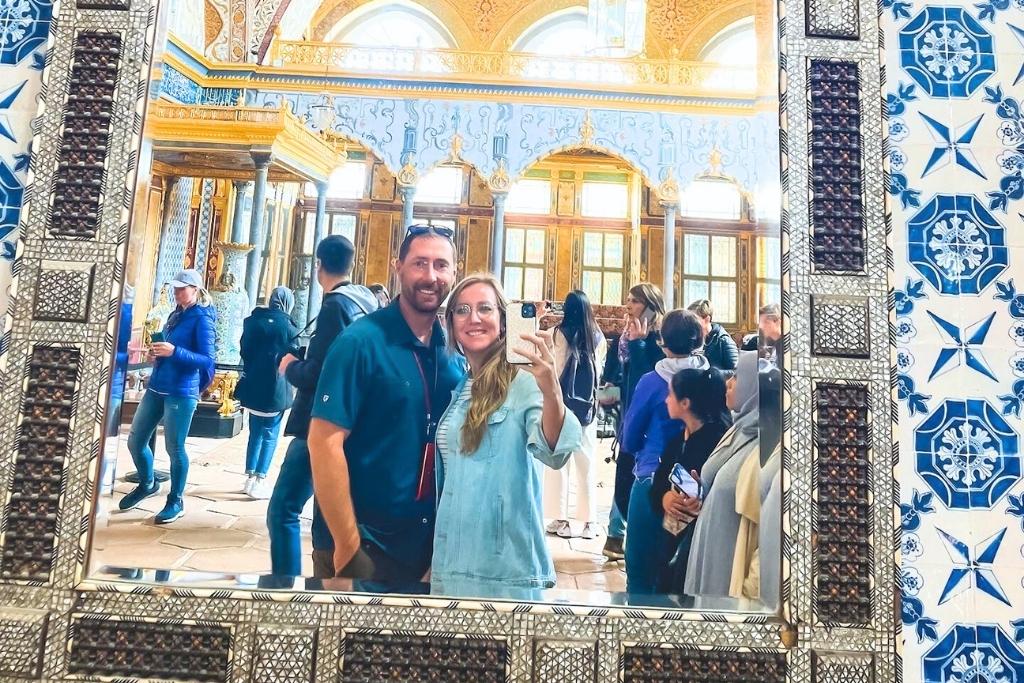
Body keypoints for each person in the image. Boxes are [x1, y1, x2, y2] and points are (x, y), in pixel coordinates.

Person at [310, 225, 465, 581]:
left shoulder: (452, 353)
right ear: (398, 268)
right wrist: (348, 546)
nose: (430, 276)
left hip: (427, 551)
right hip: (363, 543)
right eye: (419, 264)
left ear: (454, 272)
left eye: (441, 265)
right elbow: (323, 442)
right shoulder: (360, 343)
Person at [431, 275, 581, 591]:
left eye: (485, 308)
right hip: (452, 567)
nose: (473, 318)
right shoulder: (460, 388)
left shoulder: (524, 382)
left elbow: (553, 451)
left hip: (505, 572)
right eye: (462, 310)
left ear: (503, 322)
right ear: (451, 324)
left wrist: (551, 388)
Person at [267, 235, 379, 577]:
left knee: (283, 510)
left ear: (318, 265)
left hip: (321, 422)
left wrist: (289, 366)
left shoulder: (335, 306)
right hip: (353, 419)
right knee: (327, 511)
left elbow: (319, 372)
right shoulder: (365, 302)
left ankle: (283, 589)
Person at [619, 309, 709, 593]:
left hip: (652, 474)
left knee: (639, 572)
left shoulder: (652, 381)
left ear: (662, 341)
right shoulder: (713, 377)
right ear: (701, 339)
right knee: (680, 574)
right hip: (696, 484)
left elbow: (630, 438)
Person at [118, 269, 216, 524]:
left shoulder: (202, 319)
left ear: (195, 289)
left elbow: (207, 360)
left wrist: (175, 352)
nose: (177, 292)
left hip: (181, 392)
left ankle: (176, 500)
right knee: (135, 440)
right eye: (175, 288)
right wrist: (156, 354)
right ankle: (148, 482)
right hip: (157, 386)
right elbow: (169, 350)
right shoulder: (176, 314)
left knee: (175, 448)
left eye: (182, 288)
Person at [684, 351, 763, 598]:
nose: (728, 382)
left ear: (755, 387)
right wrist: (697, 493)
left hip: (732, 568)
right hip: (710, 551)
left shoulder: (769, 448)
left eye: (738, 378)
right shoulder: (738, 429)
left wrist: (749, 589)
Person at [648, 366, 730, 593]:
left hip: (701, 543)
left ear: (685, 403)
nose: (666, 400)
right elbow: (658, 485)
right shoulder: (677, 440)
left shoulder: (717, 442)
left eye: (670, 394)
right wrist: (665, 498)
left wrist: (699, 502)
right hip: (671, 537)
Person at [604, 282, 667, 561]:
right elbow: (622, 373)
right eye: (628, 300)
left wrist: (639, 345)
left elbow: (649, 380)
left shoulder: (660, 337)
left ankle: (622, 537)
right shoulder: (630, 334)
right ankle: (615, 537)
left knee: (636, 476)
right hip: (630, 411)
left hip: (650, 420)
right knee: (624, 474)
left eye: (635, 301)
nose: (628, 306)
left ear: (651, 306)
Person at [544, 290, 607, 540]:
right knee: (586, 462)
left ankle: (563, 520)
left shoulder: (559, 334)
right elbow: (599, 374)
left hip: (561, 406)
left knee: (559, 462)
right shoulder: (598, 336)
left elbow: (555, 367)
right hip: (587, 408)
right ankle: (589, 522)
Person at [235, 286, 299, 499]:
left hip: (253, 384)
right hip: (275, 388)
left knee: (254, 431)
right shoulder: (288, 327)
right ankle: (259, 480)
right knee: (270, 434)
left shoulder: (253, 321)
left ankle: (248, 478)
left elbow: (244, 349)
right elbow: (294, 355)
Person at [687, 299, 738, 371]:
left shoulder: (724, 341)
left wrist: (710, 375)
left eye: (694, 319)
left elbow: (736, 373)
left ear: (707, 319)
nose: (690, 323)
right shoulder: (690, 338)